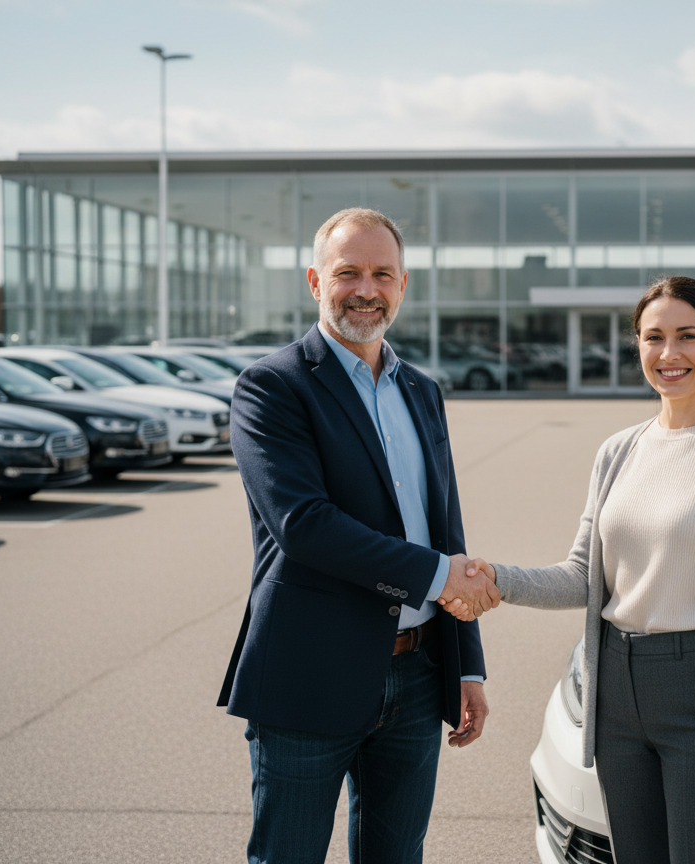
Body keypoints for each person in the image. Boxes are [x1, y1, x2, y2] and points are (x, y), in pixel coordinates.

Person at [461, 276, 695, 864]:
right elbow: (581, 574)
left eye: (687, 336)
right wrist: (498, 578)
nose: (669, 354)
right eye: (653, 338)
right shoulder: (619, 451)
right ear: (637, 346)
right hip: (616, 690)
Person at [217, 207, 500, 864]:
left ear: (403, 287)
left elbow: (446, 530)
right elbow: (303, 525)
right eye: (348, 272)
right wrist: (437, 578)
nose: (366, 289)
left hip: (419, 670)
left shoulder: (422, 392)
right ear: (316, 280)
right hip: (308, 672)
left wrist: (467, 664)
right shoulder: (273, 386)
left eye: (382, 273)